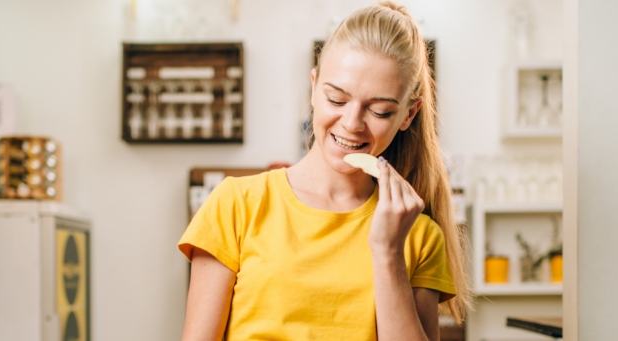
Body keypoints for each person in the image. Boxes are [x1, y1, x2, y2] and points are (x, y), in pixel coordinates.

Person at [178, 2, 471, 340]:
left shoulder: (417, 235)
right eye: (337, 99)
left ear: (408, 114)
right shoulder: (236, 204)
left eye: (379, 111)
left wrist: (388, 252)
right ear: (314, 87)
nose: (351, 123)